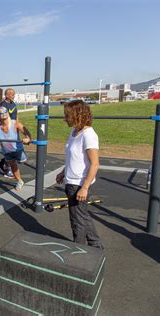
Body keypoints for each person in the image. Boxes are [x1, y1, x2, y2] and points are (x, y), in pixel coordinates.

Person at [55, 100, 103, 249]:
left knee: (77, 220)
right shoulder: (74, 132)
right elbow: (73, 157)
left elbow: (94, 164)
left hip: (79, 184)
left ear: (77, 115)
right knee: (82, 216)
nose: (65, 118)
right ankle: (96, 245)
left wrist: (85, 187)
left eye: (67, 115)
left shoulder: (88, 135)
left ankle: (79, 250)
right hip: (71, 181)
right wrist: (63, 172)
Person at [0, 88, 18, 178]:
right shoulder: (2, 105)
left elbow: (16, 117)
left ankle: (3, 163)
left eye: (14, 94)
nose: (14, 96)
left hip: (13, 129)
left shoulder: (13, 104)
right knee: (10, 150)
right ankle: (7, 169)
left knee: (14, 149)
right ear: (7, 95)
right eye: (12, 94)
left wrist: (17, 127)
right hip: (6, 131)